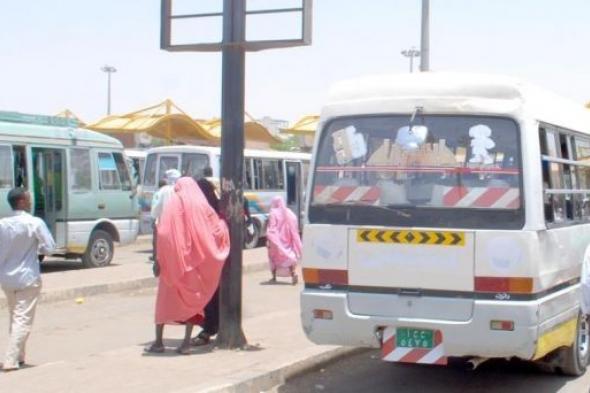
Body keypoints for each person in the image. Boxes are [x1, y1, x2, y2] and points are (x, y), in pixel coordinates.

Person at [146, 177, 230, 355]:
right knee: (193, 304)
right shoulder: (202, 206)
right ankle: (185, 344)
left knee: (164, 303)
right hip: (194, 265)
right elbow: (217, 230)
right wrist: (224, 225)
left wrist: (160, 259)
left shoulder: (174, 203)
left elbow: (164, 232)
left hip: (172, 264)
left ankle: (159, 342)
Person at [0, 188, 55, 371]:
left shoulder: (3, 224)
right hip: (27, 278)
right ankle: (10, 359)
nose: (31, 200)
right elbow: (49, 247)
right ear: (22, 201)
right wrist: (36, 249)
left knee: (15, 317)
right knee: (22, 319)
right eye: (29, 198)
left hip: (7, 278)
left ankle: (19, 356)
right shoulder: (34, 223)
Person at [190, 171, 222, 346]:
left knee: (210, 296)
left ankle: (209, 328)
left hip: (209, 260)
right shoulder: (216, 207)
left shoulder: (204, 210)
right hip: (218, 259)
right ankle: (213, 326)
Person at [266, 196, 302, 285]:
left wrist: (269, 237)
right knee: (288, 257)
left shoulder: (273, 213)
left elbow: (272, 227)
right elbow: (294, 225)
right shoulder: (289, 212)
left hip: (276, 240)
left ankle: (274, 277)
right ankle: (293, 274)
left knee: (273, 258)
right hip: (287, 239)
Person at [149, 170, 181, 264]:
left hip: (163, 225)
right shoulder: (181, 189)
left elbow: (155, 210)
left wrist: (154, 217)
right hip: (179, 225)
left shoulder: (163, 191)